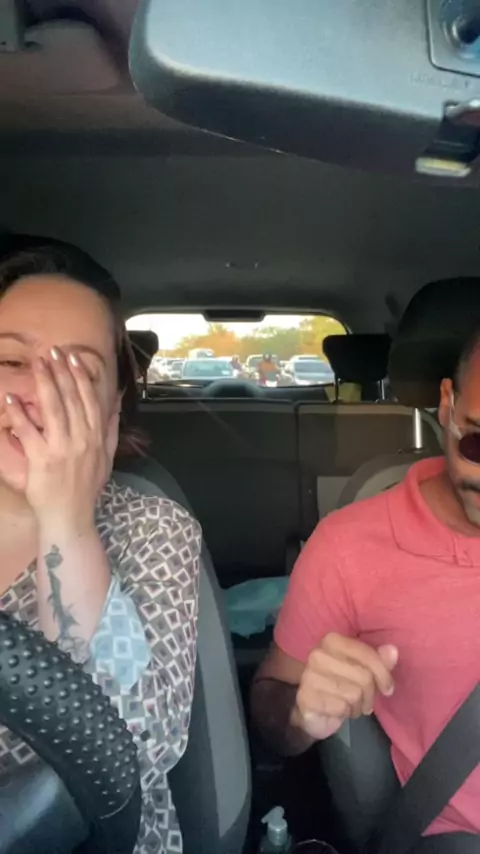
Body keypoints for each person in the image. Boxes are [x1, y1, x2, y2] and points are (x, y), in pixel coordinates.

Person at [0, 237, 202, 854]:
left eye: (79, 372)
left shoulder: (153, 528)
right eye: (10, 360)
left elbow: (132, 749)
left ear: (113, 412)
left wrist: (66, 519)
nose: (42, 392)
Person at [251, 331, 480, 840]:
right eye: (479, 443)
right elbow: (272, 711)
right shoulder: (349, 548)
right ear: (447, 405)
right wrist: (303, 713)